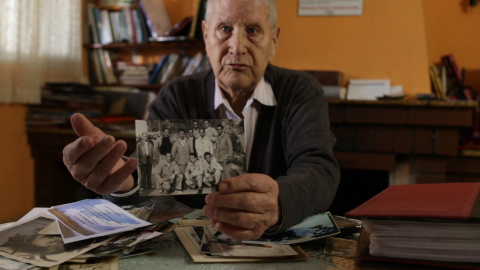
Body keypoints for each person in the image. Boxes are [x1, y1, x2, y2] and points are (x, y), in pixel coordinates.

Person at [62, 0, 339, 240]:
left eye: (253, 31)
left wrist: (279, 202)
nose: (237, 47)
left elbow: (319, 171)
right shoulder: (178, 95)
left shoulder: (300, 90)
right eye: (224, 29)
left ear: (274, 40)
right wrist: (118, 181)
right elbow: (146, 181)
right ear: (206, 35)